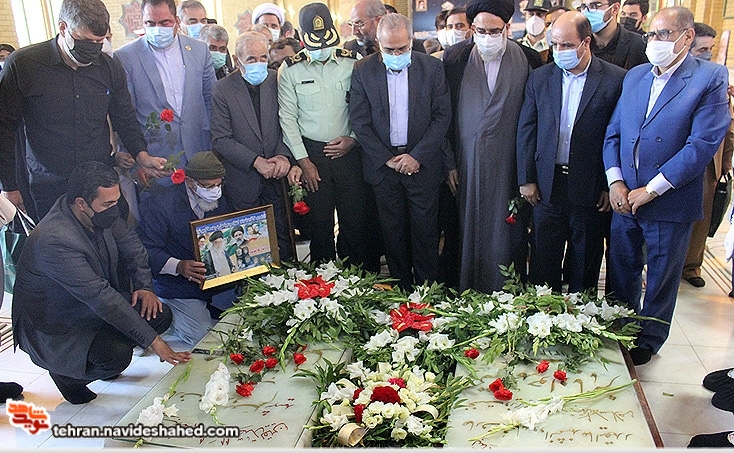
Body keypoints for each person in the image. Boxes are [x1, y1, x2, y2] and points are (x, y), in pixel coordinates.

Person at [603, 6, 730, 365]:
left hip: (668, 198)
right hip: (625, 194)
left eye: (663, 34)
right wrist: (616, 181)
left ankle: (649, 339)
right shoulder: (636, 76)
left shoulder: (708, 78)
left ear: (687, 37)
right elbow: (614, 132)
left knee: (660, 275)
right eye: (651, 34)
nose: (654, 41)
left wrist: (652, 189)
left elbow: (700, 145)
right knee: (621, 267)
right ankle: (620, 328)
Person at [12, 162, 190, 404]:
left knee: (158, 314)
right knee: (116, 355)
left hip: (89, 304)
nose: (115, 209)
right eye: (108, 204)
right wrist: (154, 341)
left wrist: (144, 287)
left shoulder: (102, 212)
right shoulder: (55, 240)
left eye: (116, 201)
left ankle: (97, 353)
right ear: (81, 203)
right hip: (55, 322)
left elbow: (134, 249)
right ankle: (67, 376)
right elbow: (101, 298)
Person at [0, 0, 166, 221]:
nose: (93, 48)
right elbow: (4, 130)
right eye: (86, 41)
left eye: (100, 41)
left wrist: (141, 154)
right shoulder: (24, 65)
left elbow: (124, 117)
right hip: (49, 182)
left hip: (99, 179)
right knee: (57, 240)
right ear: (63, 27)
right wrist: (9, 186)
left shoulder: (108, 66)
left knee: (115, 236)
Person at [517, 11, 626, 293]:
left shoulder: (614, 79)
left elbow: (618, 137)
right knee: (543, 259)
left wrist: (609, 185)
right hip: (547, 184)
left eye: (566, 45)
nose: (559, 51)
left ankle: (581, 313)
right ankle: (543, 313)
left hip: (590, 187)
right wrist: (526, 179)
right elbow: (527, 130)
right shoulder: (540, 78)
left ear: (586, 42)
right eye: (554, 44)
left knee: (585, 260)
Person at [350, 13, 451, 290]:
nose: (396, 55)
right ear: (378, 43)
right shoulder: (363, 70)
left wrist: (416, 156)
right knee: (392, 234)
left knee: (426, 233)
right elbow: (360, 121)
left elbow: (442, 117)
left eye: (401, 48)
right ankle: (400, 292)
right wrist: (387, 159)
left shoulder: (432, 68)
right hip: (384, 167)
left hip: (422, 164)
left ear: (412, 40)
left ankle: (428, 293)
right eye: (389, 49)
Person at [278, 2, 379, 271]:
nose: (322, 47)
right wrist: (304, 161)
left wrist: (353, 138)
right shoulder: (290, 69)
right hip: (313, 155)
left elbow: (364, 108)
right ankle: (323, 282)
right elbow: (287, 119)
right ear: (302, 37)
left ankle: (356, 279)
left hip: (349, 153)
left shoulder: (352, 62)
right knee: (319, 225)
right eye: (315, 42)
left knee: (354, 222)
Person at [444, 0, 534, 293]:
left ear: (507, 27)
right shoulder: (456, 58)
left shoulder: (529, 59)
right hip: (466, 163)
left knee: (506, 231)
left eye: (494, 31)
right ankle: (464, 290)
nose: (486, 37)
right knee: (465, 227)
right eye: (480, 31)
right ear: (472, 29)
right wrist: (450, 162)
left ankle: (506, 293)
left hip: (510, 165)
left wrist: (527, 173)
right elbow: (444, 115)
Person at [210, 31, 294, 260]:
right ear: (237, 60)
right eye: (251, 59)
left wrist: (283, 155)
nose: (258, 64)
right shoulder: (222, 89)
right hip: (243, 179)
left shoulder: (277, 80)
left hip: (277, 176)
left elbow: (289, 122)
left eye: (263, 58)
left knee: (283, 240)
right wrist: (256, 162)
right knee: (251, 248)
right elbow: (221, 138)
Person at [137, 151, 231, 347]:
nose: (215, 191)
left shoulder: (222, 198)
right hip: (176, 284)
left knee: (243, 315)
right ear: (189, 182)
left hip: (215, 281)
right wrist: (179, 266)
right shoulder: (161, 204)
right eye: (208, 186)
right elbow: (146, 250)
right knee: (204, 338)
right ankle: (166, 317)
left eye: (218, 185)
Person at [113, 0, 215, 174]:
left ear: (176, 21)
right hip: (155, 159)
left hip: (199, 150)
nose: (157, 29)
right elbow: (126, 114)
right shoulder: (125, 57)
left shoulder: (199, 50)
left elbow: (210, 99)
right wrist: (136, 160)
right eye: (150, 23)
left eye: (164, 22)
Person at [681, 23, 734, 288]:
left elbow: (729, 125)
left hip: (709, 162)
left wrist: (726, 160)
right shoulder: (677, 77)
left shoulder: (718, 79)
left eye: (710, 49)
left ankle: (691, 266)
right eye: (702, 49)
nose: (708, 54)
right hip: (678, 156)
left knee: (701, 216)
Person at [578, 0, 647, 69]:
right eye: (584, 7)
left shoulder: (639, 45)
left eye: (594, 6)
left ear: (615, 9)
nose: (587, 12)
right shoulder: (579, 43)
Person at [345, 0, 427, 57]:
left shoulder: (413, 47)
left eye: (359, 24)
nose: (354, 32)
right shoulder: (351, 49)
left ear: (379, 20)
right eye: (351, 24)